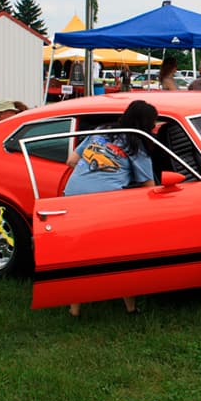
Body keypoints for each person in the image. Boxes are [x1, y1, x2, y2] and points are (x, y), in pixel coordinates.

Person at [64, 100, 158, 317]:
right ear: (145, 124)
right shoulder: (137, 145)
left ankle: (74, 310)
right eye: (153, 124)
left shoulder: (101, 131)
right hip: (104, 205)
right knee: (121, 256)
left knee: (79, 257)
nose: (154, 128)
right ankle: (131, 309)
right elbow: (149, 186)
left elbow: (71, 161)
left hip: (71, 198)